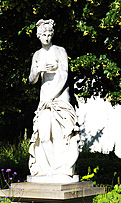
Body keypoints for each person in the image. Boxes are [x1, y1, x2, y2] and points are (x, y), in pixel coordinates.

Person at [28, 19, 79, 180]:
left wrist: (53, 96)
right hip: (44, 100)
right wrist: (38, 70)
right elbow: (32, 79)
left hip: (59, 98)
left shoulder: (59, 51)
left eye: (49, 34)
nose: (47, 37)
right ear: (38, 35)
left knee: (60, 135)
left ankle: (61, 171)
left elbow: (64, 74)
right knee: (43, 136)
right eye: (43, 34)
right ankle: (48, 170)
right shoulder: (37, 55)